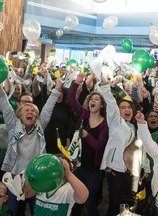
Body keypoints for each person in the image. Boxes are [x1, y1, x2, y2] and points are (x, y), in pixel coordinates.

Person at [0, 77, 62, 214]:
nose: (30, 112)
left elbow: (49, 107)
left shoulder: (40, 125)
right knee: (14, 211)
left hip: (36, 177)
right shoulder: (13, 125)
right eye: (26, 110)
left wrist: (57, 89)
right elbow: (4, 103)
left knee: (37, 211)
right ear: (20, 115)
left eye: (33, 111)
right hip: (15, 176)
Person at [98, 75, 147, 216]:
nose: (127, 109)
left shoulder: (135, 127)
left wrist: (144, 168)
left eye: (129, 107)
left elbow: (140, 149)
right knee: (115, 206)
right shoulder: (116, 122)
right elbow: (111, 103)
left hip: (132, 173)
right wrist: (105, 86)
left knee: (129, 207)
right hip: (116, 172)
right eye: (123, 107)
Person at [68, 72, 108, 216]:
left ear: (101, 104)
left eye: (97, 99)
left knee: (90, 201)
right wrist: (77, 82)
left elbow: (98, 146)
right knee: (76, 200)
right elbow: (71, 99)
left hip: (94, 169)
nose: (93, 100)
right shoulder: (84, 115)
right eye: (92, 98)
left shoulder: (105, 123)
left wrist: (86, 135)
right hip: (78, 165)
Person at [25, 156, 89, 216]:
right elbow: (26, 194)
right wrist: (28, 176)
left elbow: (83, 198)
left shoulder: (67, 188)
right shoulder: (42, 184)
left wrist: (69, 174)